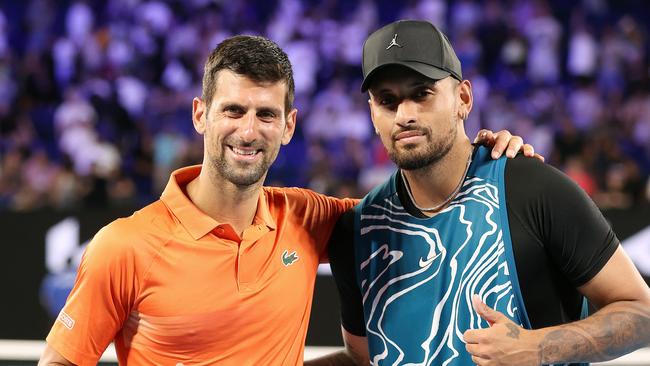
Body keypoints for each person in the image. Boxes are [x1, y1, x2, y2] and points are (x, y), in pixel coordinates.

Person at [39, 35, 534, 366]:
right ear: (200, 115)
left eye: (266, 115)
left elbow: (419, 201)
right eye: (233, 110)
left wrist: (481, 156)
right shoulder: (123, 245)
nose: (248, 131)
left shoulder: (307, 216)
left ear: (289, 126)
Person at [328, 20, 650, 366]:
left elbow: (642, 313)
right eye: (387, 101)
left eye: (422, 93)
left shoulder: (534, 190)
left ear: (463, 98)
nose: (405, 114)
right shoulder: (358, 229)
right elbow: (360, 360)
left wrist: (538, 347)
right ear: (373, 115)